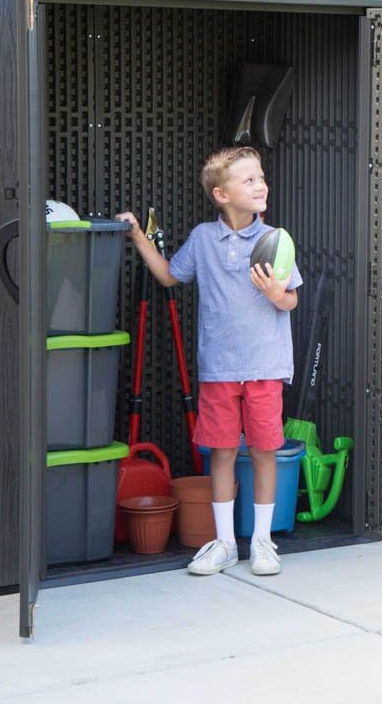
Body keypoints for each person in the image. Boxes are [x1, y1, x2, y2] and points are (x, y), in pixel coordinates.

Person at [116, 146, 302, 577]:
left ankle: (261, 541)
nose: (261, 185)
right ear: (222, 194)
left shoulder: (275, 240)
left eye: (261, 177)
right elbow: (168, 275)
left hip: (264, 367)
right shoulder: (203, 238)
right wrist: (139, 237)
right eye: (250, 180)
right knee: (219, 452)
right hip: (218, 368)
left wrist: (277, 295)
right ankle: (223, 543)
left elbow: (290, 299)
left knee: (263, 451)